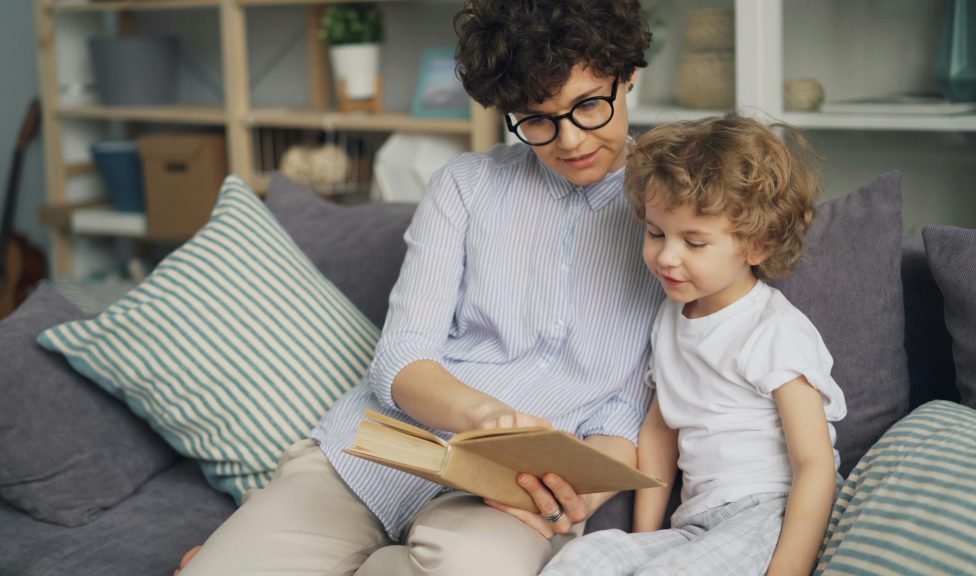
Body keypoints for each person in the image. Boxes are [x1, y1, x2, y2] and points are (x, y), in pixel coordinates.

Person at [176, 1, 663, 575]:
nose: (570, 140)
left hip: (509, 494)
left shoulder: (676, 214)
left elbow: (626, 407)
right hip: (373, 456)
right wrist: (487, 418)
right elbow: (401, 358)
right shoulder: (466, 185)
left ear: (628, 74)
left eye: (588, 106)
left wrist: (580, 494)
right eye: (537, 120)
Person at [541, 116, 848, 576]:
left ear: (757, 246)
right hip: (696, 524)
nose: (667, 257)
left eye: (695, 242)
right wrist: (645, 540)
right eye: (656, 233)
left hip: (769, 511)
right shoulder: (670, 318)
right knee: (584, 558)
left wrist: (788, 571)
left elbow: (814, 463)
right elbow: (659, 431)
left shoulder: (775, 330)